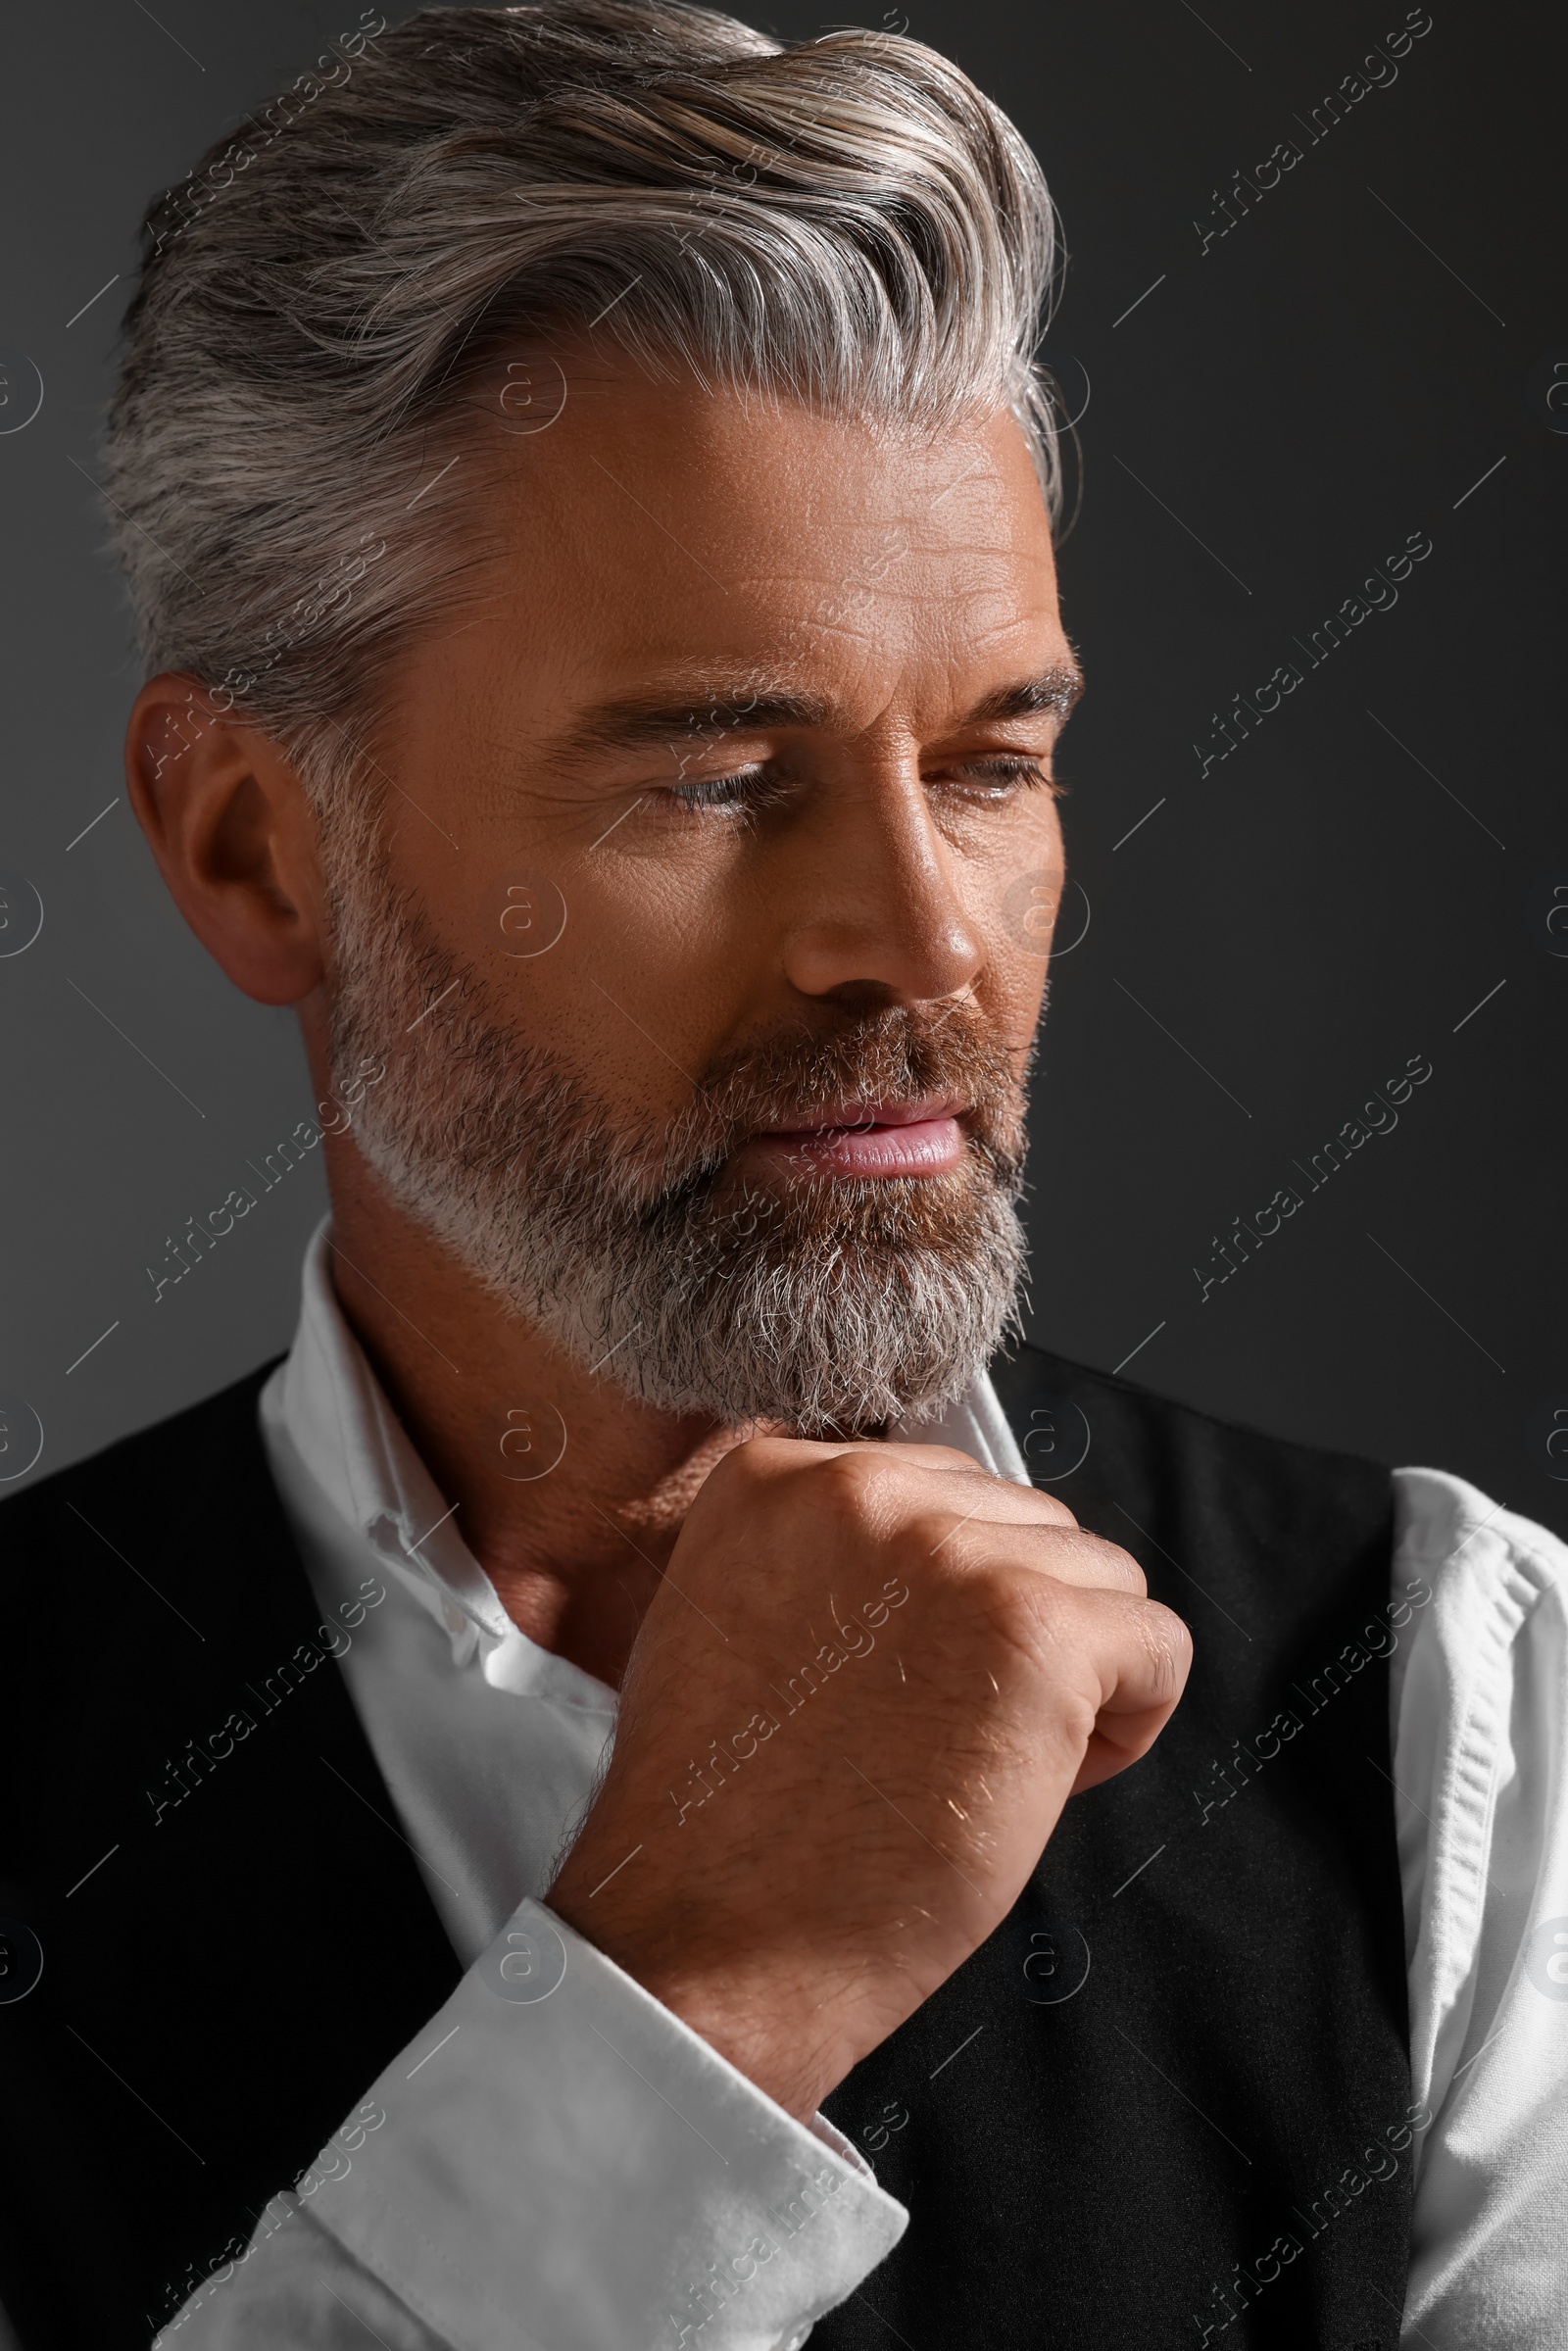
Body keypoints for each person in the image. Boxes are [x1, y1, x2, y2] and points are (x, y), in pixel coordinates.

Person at [2, 5, 1563, 2346]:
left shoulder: (1456, 1709)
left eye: (988, 763)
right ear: (253, 846)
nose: (921, 938)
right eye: (718, 778)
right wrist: (693, 2004)